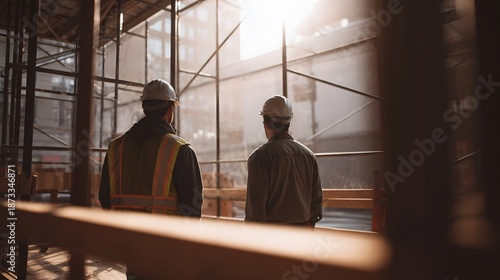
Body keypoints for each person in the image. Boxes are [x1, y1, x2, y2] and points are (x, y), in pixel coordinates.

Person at [98, 79, 203, 279]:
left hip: (132, 246)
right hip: (168, 248)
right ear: (170, 110)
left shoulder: (116, 148)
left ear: (145, 108)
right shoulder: (179, 149)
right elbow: (193, 205)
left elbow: (106, 198)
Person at [245, 95, 323, 227]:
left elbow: (256, 210)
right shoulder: (309, 156)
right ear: (289, 122)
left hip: (273, 236)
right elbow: (316, 202)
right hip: (302, 233)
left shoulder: (259, 157)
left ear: (266, 124)